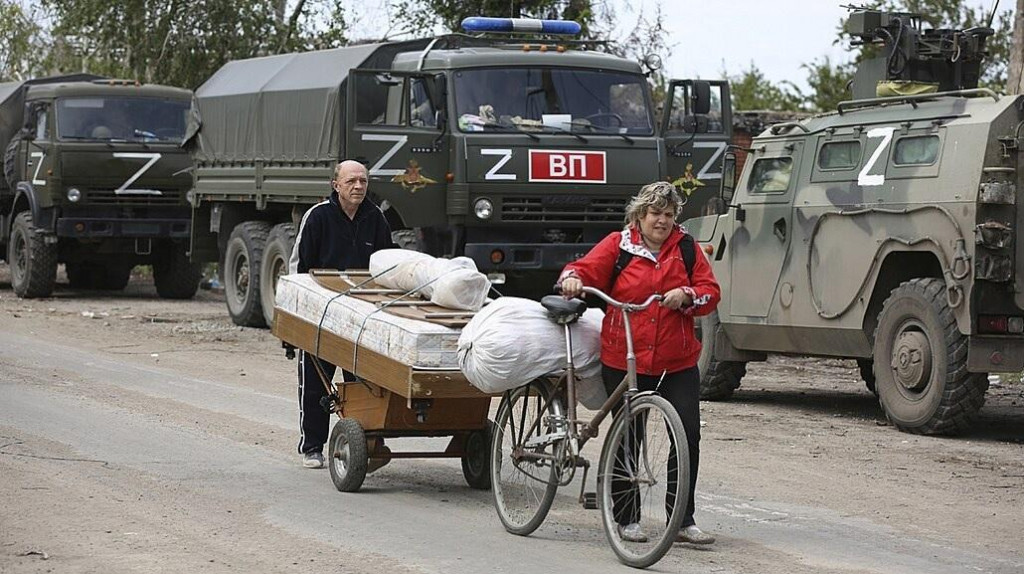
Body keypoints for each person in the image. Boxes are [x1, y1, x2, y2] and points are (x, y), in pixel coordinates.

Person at [558, 181, 721, 545]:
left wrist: (688, 294)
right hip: (625, 356)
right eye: (655, 214)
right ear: (640, 215)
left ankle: (682, 520)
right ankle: (627, 518)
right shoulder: (619, 245)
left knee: (688, 436)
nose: (662, 221)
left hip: (676, 360)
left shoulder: (687, 248)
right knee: (629, 437)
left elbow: (711, 293)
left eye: (668, 214)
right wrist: (571, 280)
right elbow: (582, 270)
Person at [289, 160, 395, 468]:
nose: (358, 186)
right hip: (323, 313)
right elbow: (300, 267)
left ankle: (363, 444)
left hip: (362, 314)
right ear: (336, 185)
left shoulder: (376, 218)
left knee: (364, 380)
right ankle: (312, 446)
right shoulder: (318, 217)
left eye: (363, 181)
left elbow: (386, 263)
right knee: (316, 381)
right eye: (351, 181)